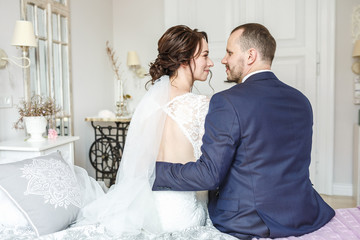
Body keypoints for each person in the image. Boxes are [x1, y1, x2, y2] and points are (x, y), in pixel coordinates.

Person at [152, 23, 335, 239]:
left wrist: (153, 172)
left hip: (250, 220)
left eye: (229, 53)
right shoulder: (301, 101)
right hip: (304, 212)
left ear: (250, 56)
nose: (223, 60)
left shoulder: (227, 102)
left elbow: (210, 175)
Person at [75, 25, 236, 240]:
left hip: (147, 211)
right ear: (184, 59)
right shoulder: (202, 105)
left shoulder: (150, 102)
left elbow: (139, 166)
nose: (211, 63)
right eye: (205, 55)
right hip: (183, 214)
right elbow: (212, 169)